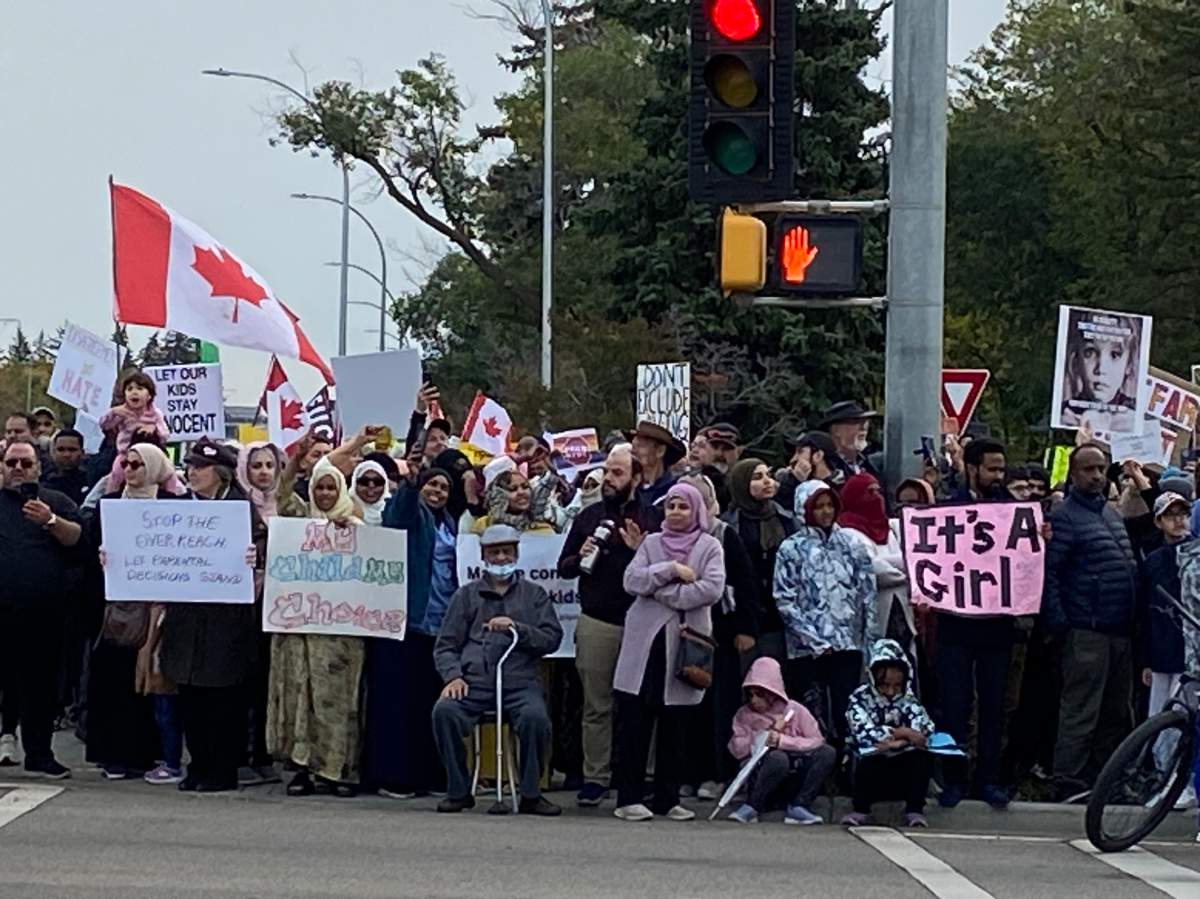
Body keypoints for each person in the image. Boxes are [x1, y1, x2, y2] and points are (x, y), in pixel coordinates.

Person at [432, 524, 563, 816]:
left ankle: (531, 793)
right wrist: (453, 676)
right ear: (483, 555)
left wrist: (518, 628)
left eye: (507, 551)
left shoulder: (534, 595)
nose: (501, 557)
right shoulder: (465, 596)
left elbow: (552, 639)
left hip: (519, 682)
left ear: (516, 553)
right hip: (473, 682)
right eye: (495, 552)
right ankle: (459, 790)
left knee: (535, 719)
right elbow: (445, 645)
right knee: (444, 711)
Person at [613, 483, 725, 822]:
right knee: (636, 722)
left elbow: (712, 588)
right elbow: (632, 581)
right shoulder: (651, 543)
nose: (676, 512)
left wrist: (662, 594)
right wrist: (671, 571)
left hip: (684, 646)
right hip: (645, 648)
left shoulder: (710, 546)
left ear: (697, 511)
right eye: (671, 506)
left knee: (676, 724)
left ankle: (667, 798)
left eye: (683, 507)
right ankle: (629, 797)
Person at [558, 445, 658, 807]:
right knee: (596, 706)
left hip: (640, 623)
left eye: (618, 473)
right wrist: (580, 553)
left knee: (640, 705)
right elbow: (564, 568)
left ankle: (639, 775)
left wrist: (639, 550)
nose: (609, 480)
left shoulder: (651, 517)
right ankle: (595, 777)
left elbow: (659, 572)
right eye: (607, 472)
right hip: (597, 620)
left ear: (636, 477)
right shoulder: (588, 517)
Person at [159, 438, 259, 793]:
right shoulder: (179, 508)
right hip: (186, 619)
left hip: (224, 621)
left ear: (220, 473)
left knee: (222, 700)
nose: (192, 472)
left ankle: (222, 769)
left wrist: (253, 559)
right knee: (189, 698)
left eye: (200, 466)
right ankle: (198, 764)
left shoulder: (240, 509)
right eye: (190, 466)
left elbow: (262, 548)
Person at [1043, 443, 1138, 800]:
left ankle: (1107, 778)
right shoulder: (1065, 517)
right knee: (1081, 709)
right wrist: (1061, 623)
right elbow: (1051, 574)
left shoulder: (1111, 515)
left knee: (1116, 711)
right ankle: (1068, 779)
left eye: (1101, 469)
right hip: (1087, 629)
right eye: (1089, 469)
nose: (1097, 476)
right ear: (1073, 474)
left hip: (1119, 629)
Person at [267, 458, 366, 797]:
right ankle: (302, 769)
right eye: (319, 487)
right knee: (299, 700)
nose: (324, 493)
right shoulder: (299, 523)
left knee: (338, 704)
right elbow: (281, 494)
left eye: (331, 488)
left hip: (341, 637)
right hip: (299, 633)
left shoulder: (356, 527)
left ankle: (338, 771)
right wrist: (296, 461)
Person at [935, 437, 1016, 809]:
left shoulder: (1012, 511)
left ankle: (988, 780)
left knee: (994, 706)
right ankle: (953, 779)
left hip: (997, 624)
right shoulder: (949, 509)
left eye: (1002, 469)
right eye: (992, 469)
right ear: (972, 468)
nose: (999, 476)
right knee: (954, 704)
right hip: (956, 623)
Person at [90, 444, 178, 782]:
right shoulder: (109, 506)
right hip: (118, 611)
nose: (130, 470)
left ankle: (148, 754)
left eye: (138, 464)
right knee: (115, 683)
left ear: (155, 467)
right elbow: (90, 551)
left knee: (149, 686)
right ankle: (114, 755)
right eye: (125, 463)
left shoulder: (173, 507)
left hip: (156, 610)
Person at [369, 466, 458, 799]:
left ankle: (429, 774)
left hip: (440, 625)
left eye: (444, 487)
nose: (437, 491)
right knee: (398, 704)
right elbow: (398, 514)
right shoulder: (412, 516)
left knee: (428, 705)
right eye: (432, 484)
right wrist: (410, 485)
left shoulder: (449, 523)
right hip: (407, 621)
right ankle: (395, 777)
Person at [0, 437, 83, 778]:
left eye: (26, 463)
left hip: (44, 615)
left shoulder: (55, 501)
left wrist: (50, 522)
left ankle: (39, 753)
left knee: (40, 688)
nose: (19, 469)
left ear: (38, 466)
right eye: (12, 463)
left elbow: (80, 539)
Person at [773, 480, 877, 745]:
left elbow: (867, 592)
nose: (826, 512)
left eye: (830, 505)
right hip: (807, 650)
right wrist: (814, 640)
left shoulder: (852, 544)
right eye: (818, 506)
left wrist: (869, 641)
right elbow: (784, 599)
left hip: (847, 646)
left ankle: (847, 766)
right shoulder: (791, 549)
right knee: (809, 713)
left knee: (848, 710)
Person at [678, 473, 760, 800]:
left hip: (720, 631)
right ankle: (686, 772)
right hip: (681, 630)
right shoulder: (670, 537)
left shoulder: (724, 536)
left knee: (718, 705)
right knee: (685, 706)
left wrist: (745, 628)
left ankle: (717, 773)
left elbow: (745, 583)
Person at [236, 441, 303, 787]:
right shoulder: (236, 506)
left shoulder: (288, 506)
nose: (263, 472)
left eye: (269, 466)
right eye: (256, 465)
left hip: (278, 605)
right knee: (244, 680)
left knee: (269, 682)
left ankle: (264, 753)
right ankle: (243, 754)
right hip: (244, 602)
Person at [725, 656, 835, 826]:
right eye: (750, 694)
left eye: (760, 694)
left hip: (796, 771)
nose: (754, 700)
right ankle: (754, 805)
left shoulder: (795, 710)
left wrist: (783, 741)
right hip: (764, 772)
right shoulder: (744, 714)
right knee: (777, 758)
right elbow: (736, 748)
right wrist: (762, 738)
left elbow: (817, 740)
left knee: (827, 752)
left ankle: (800, 805)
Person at [1138, 492, 1195, 809]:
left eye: (1183, 513)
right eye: (1171, 515)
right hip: (1163, 650)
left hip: (1192, 653)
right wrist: (1146, 658)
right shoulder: (1154, 561)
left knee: (1186, 718)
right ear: (1159, 521)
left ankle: (1185, 784)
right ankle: (1167, 780)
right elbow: (1146, 611)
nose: (1179, 520)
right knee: (1160, 720)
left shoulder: (1197, 555)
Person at [842, 639, 936, 828]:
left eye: (896, 686)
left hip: (901, 767)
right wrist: (901, 734)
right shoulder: (859, 698)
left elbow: (924, 729)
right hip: (870, 766)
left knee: (921, 757)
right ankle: (861, 809)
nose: (891, 692)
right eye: (885, 686)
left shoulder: (909, 699)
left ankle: (915, 810)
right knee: (868, 756)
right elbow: (864, 733)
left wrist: (901, 739)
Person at [723, 458, 795, 664]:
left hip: (780, 617)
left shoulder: (786, 519)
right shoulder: (729, 526)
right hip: (745, 617)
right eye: (757, 477)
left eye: (768, 476)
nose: (767, 482)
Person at [838, 474, 914, 653]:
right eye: (869, 492)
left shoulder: (892, 527)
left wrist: (902, 563)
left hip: (903, 611)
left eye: (878, 491)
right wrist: (912, 572)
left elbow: (917, 553)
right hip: (873, 616)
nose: (876, 497)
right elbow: (874, 570)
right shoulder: (847, 532)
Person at [98, 372, 169, 491]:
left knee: (168, 474)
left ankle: (177, 496)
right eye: (129, 389)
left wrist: (154, 429)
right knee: (116, 474)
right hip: (126, 454)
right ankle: (109, 498)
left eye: (140, 389)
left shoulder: (155, 414)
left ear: (149, 396)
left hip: (152, 455)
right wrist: (113, 412)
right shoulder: (122, 412)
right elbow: (104, 425)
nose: (134, 392)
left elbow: (165, 434)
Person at [817, 401, 882, 484]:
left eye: (865, 422)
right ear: (836, 430)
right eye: (855, 422)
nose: (863, 427)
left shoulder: (868, 465)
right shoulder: (824, 466)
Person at [631, 420, 685, 508]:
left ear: (660, 451)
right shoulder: (627, 489)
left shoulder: (675, 493)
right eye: (633, 446)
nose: (633, 451)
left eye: (640, 446)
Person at [41, 428, 91, 503]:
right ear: (53, 452)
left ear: (82, 453)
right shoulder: (44, 483)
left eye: (72, 450)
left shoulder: (91, 481)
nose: (66, 455)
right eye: (61, 450)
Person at [351, 459, 391, 525]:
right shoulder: (344, 507)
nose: (371, 486)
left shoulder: (394, 509)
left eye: (377, 482)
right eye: (364, 482)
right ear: (355, 483)